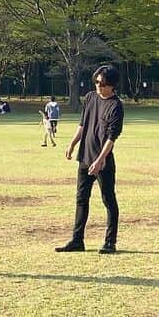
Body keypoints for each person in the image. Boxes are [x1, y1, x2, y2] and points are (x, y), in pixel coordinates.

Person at [56, 64, 124, 255]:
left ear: (111, 85)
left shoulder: (116, 106)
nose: (98, 86)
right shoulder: (90, 97)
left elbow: (112, 137)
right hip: (85, 157)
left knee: (108, 200)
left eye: (101, 83)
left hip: (102, 162)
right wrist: (72, 143)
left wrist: (101, 159)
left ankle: (110, 242)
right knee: (81, 199)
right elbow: (82, 124)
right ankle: (77, 240)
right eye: (96, 82)